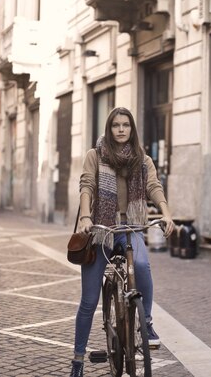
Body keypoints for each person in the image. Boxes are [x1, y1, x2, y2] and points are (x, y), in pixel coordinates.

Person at [70, 107, 175, 377]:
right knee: (89, 300)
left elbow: (154, 186)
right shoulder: (95, 155)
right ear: (109, 128)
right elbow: (87, 186)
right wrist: (84, 217)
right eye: (116, 125)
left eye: (125, 125)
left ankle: (147, 323)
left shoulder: (142, 160)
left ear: (132, 129)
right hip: (101, 229)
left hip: (130, 227)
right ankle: (78, 360)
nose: (120, 129)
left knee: (141, 265)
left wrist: (165, 213)